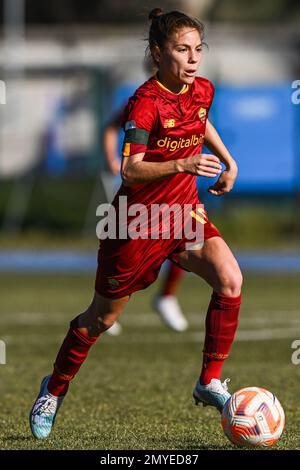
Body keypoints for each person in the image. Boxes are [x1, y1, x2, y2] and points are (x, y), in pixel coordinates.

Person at [29, 8, 242, 440]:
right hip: (137, 222)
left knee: (230, 279)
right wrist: (182, 162)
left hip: (183, 213)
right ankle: (53, 388)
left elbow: (200, 122)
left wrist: (228, 159)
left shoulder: (203, 89)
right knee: (100, 320)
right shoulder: (144, 103)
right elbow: (130, 170)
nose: (193, 57)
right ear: (158, 53)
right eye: (182, 49)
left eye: (198, 48)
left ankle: (209, 381)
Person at [103, 109, 188, 334]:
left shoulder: (189, 97)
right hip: (140, 190)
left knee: (191, 239)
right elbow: (111, 127)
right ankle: (107, 309)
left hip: (173, 187)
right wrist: (111, 157)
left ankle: (167, 296)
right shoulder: (143, 100)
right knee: (127, 248)